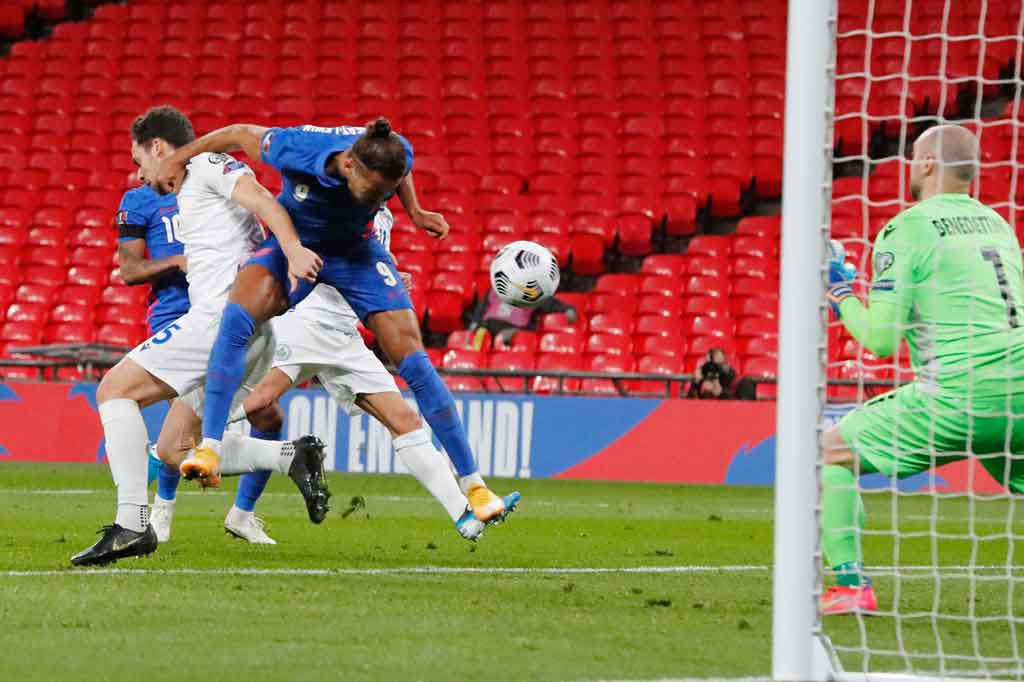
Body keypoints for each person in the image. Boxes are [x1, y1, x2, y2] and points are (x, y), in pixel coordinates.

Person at [154, 119, 514, 523]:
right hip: (298, 248)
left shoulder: (394, 152)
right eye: (373, 190)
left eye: (385, 194)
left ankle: (475, 486)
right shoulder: (296, 148)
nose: (377, 200)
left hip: (356, 256)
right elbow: (238, 133)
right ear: (349, 167)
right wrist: (178, 159)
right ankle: (212, 447)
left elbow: (402, 172)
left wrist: (413, 211)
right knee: (237, 318)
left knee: (414, 360)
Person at [71, 106, 329, 567]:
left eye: (139, 160)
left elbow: (264, 201)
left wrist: (291, 249)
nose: (139, 171)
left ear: (157, 148)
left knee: (114, 390)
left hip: (221, 317)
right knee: (174, 451)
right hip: (245, 329)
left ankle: (131, 524)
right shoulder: (191, 186)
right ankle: (291, 456)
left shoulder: (205, 164)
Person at [820, 124, 1024, 614]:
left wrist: (840, 293)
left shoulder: (907, 227)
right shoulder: (999, 224)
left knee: (825, 454)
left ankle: (850, 585)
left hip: (960, 395)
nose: (912, 166)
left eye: (914, 157)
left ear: (928, 164)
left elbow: (882, 340)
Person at [116, 166, 282, 545]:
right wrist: (177, 262)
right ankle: (163, 508)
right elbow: (130, 269)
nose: (140, 170)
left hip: (227, 308)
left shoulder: (216, 188)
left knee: (260, 413)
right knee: (181, 427)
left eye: (139, 158)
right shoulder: (141, 201)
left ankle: (237, 500)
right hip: (176, 315)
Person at [468, 289, 578, 349]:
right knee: (478, 337)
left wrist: (567, 309)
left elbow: (552, 304)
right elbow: (481, 310)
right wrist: (474, 323)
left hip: (514, 330)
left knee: (510, 339)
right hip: (487, 328)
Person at [685, 348, 756, 400]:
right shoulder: (704, 382)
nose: (711, 369)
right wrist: (695, 385)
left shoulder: (743, 383)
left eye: (715, 365)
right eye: (708, 365)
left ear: (726, 365)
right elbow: (689, 409)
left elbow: (746, 411)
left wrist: (721, 393)